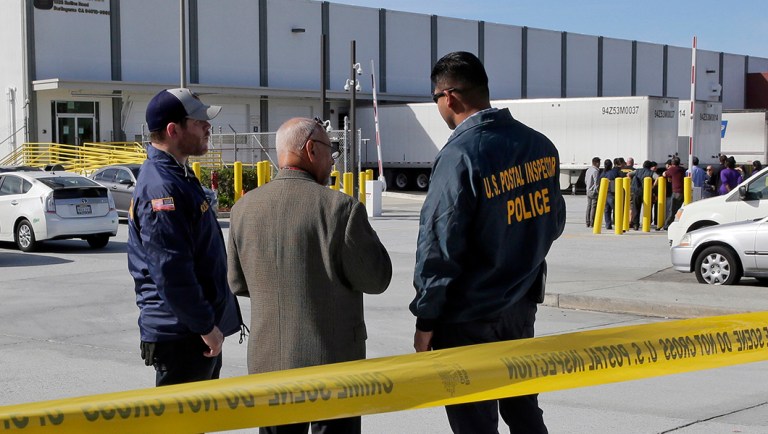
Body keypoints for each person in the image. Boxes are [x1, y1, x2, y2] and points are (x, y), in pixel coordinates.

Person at [411, 51, 565, 434]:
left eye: (435, 100)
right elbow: (555, 220)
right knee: (524, 409)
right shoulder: (539, 145)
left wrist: (427, 315)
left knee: (474, 422)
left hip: (468, 316)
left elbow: (439, 242)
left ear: (449, 97)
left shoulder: (460, 154)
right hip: (520, 306)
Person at [228, 117, 392, 434]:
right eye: (332, 150)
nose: (333, 160)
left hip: (269, 366)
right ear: (311, 149)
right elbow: (377, 279)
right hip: (333, 369)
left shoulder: (244, 208)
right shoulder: (340, 209)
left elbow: (237, 282)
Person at [127, 88, 243, 387]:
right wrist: (205, 326)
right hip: (183, 336)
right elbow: (172, 270)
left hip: (191, 331)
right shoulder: (162, 188)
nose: (208, 127)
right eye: (199, 121)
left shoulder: (177, 174)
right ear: (172, 130)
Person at [629, 160, 655, 230]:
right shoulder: (651, 172)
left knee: (636, 208)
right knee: (647, 208)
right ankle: (647, 223)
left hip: (636, 191)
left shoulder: (637, 171)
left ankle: (635, 225)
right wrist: (653, 186)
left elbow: (628, 174)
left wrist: (631, 183)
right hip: (646, 192)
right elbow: (657, 178)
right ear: (650, 167)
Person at [662, 156, 685, 230]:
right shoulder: (682, 169)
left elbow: (665, 174)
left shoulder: (672, 169)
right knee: (680, 209)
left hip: (676, 192)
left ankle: (667, 225)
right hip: (683, 192)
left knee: (672, 210)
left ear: (672, 163)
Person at [600, 159, 620, 230]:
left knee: (607, 210)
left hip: (604, 194)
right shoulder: (613, 173)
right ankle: (617, 223)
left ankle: (608, 224)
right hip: (612, 193)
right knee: (616, 209)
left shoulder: (602, 173)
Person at [585, 156, 601, 227]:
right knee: (593, 207)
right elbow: (596, 182)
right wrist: (597, 191)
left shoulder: (588, 170)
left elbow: (585, 180)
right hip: (593, 191)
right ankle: (592, 222)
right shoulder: (596, 171)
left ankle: (587, 222)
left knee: (588, 206)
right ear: (597, 163)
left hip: (588, 190)